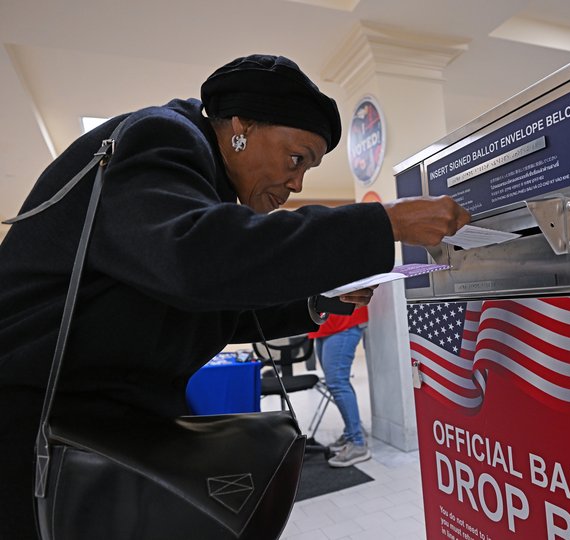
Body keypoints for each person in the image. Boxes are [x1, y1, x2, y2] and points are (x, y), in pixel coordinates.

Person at [0, 54, 470, 539]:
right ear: (241, 126)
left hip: (92, 425)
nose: (297, 183)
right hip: (33, 425)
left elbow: (202, 298)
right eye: (296, 158)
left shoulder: (206, 192)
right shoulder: (161, 136)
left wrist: (314, 299)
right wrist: (383, 222)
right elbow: (195, 261)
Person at [308, 306, 370, 467]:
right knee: (336, 382)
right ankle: (352, 432)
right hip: (325, 324)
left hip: (343, 321)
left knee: (337, 383)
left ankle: (358, 444)